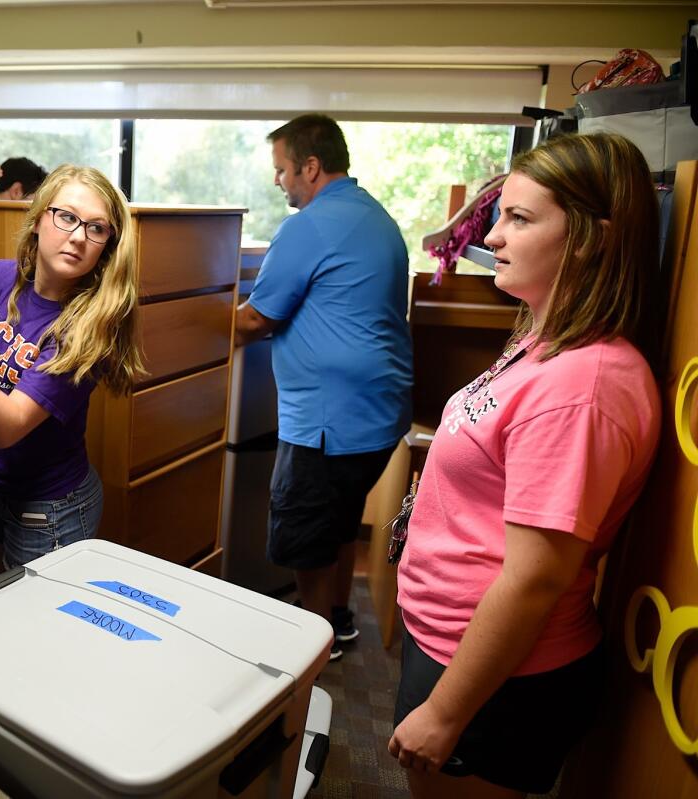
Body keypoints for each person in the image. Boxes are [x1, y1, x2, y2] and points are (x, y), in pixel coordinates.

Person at [388, 132, 662, 799]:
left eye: (519, 218)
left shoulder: (585, 385)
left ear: (593, 238)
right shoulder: (543, 340)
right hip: (456, 646)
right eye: (498, 215)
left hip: (497, 680)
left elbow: (536, 579)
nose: (495, 236)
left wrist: (447, 711)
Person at [235, 114, 413, 661]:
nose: (278, 181)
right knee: (337, 522)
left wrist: (194, 322)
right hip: (381, 413)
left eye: (282, 169)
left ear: (310, 167)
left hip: (329, 419)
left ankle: (315, 646)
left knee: (304, 537)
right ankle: (339, 620)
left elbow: (257, 319)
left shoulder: (308, 225)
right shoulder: (375, 217)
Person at [0, 164, 142, 568]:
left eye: (96, 229)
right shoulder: (4, 279)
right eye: (67, 217)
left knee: (31, 628)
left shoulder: (86, 332)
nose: (78, 236)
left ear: (105, 247)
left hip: (50, 513)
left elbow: (6, 426)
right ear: (40, 218)